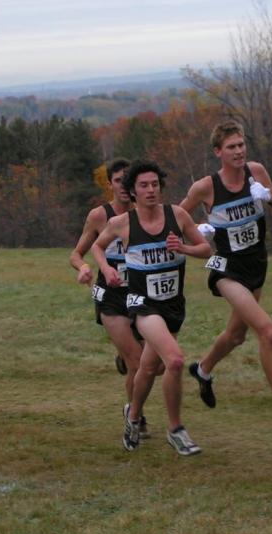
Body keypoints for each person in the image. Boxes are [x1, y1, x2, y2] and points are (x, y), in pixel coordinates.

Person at [179, 120, 272, 437]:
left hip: (256, 263)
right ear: (218, 152)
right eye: (231, 147)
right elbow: (176, 218)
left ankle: (203, 369)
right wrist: (199, 234)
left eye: (241, 145)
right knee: (269, 333)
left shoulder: (257, 172)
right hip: (226, 267)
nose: (238, 151)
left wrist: (270, 199)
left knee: (236, 336)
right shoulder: (206, 187)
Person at [92, 159, 211, 456]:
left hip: (173, 306)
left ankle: (133, 417)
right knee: (174, 360)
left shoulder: (178, 215)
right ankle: (176, 429)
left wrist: (182, 248)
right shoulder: (121, 223)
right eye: (143, 185)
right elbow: (97, 245)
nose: (150, 190)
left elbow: (206, 249)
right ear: (132, 191)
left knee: (147, 367)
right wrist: (106, 269)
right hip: (142, 305)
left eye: (155, 184)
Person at [69, 157, 150, 441]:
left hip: (142, 296)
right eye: (118, 181)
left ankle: (133, 403)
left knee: (151, 364)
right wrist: (85, 268)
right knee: (138, 362)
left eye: (129, 180)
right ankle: (135, 417)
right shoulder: (99, 216)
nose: (125, 187)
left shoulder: (147, 213)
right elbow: (76, 253)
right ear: (110, 184)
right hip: (111, 298)